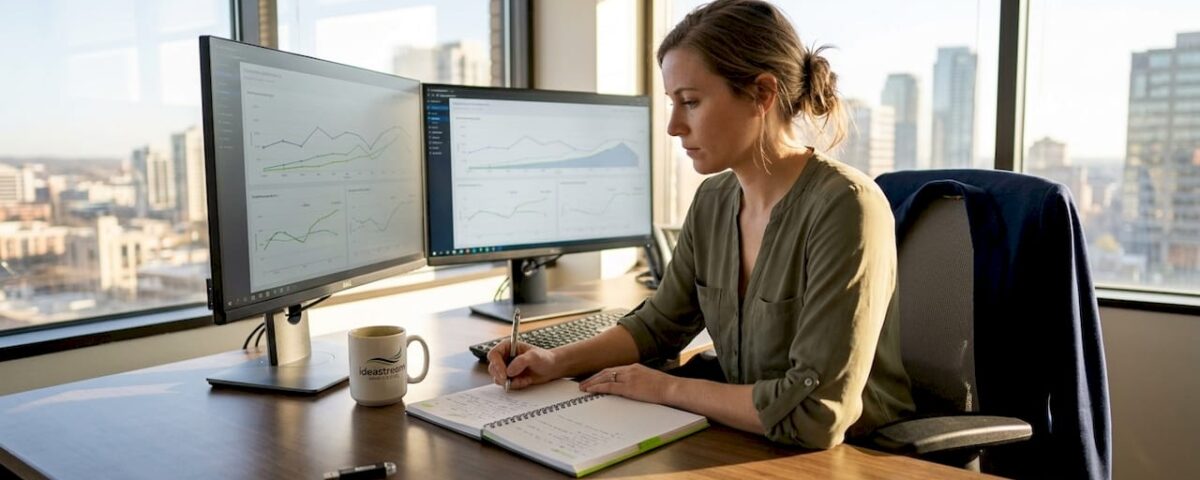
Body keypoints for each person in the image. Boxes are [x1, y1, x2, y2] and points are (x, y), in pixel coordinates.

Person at [488, 0, 913, 449]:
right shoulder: (712, 201)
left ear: (762, 95)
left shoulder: (847, 208)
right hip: (744, 438)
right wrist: (553, 360)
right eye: (673, 103)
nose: (673, 126)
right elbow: (659, 326)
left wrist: (666, 388)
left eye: (690, 102)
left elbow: (815, 416)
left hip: (860, 455)